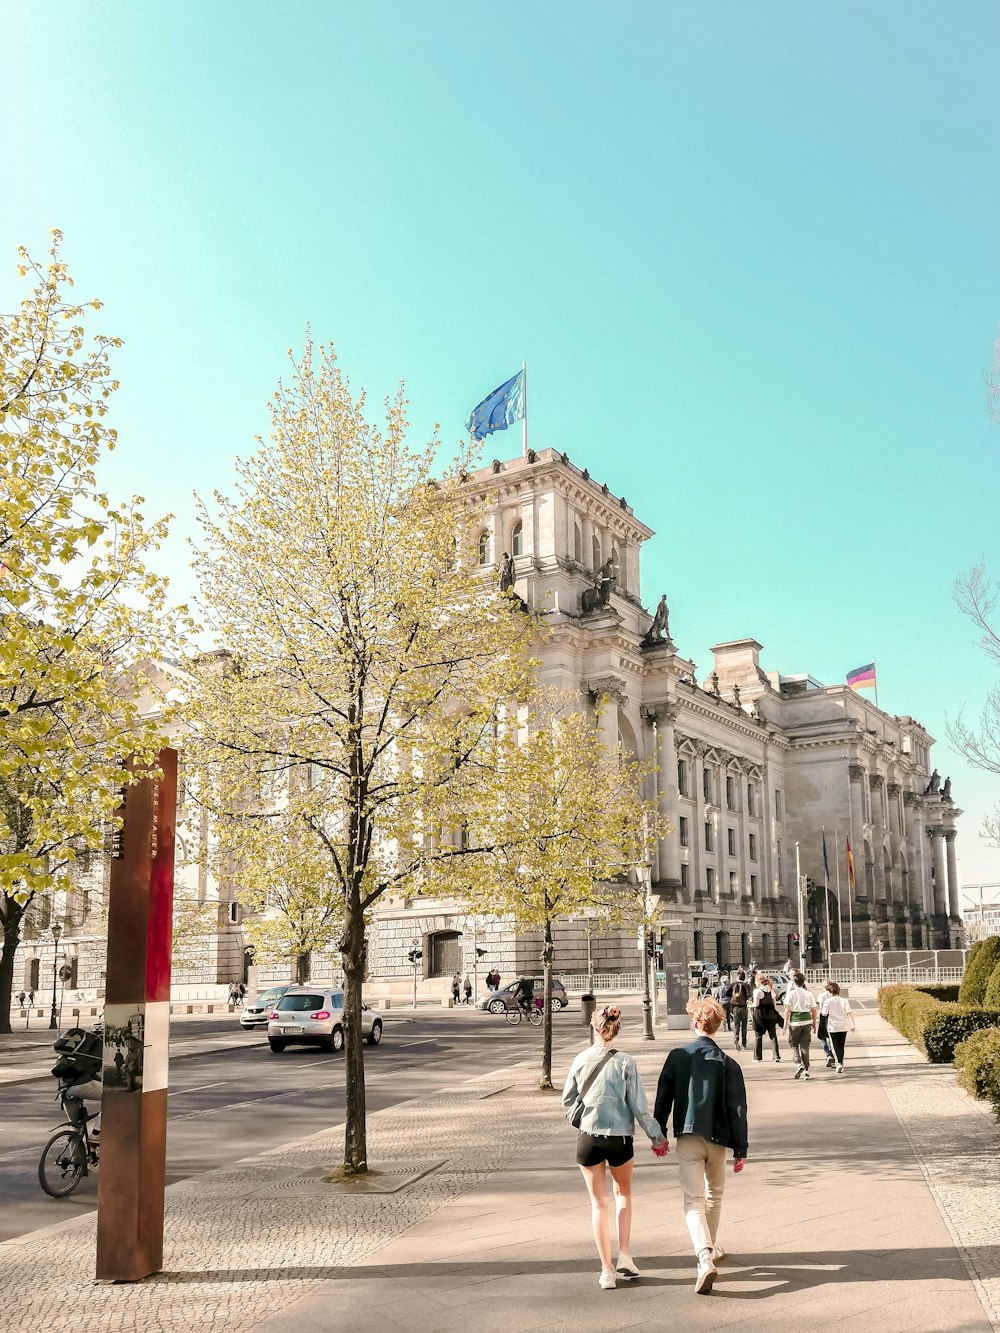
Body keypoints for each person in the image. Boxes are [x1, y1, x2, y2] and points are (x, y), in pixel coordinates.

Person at [562, 1005, 667, 1290]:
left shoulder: (581, 1059)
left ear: (594, 1027)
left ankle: (606, 1271)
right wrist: (657, 1137)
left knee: (598, 1204)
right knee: (623, 1195)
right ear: (615, 1029)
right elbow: (638, 1107)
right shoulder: (626, 1062)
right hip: (620, 1140)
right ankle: (626, 1256)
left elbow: (568, 1100)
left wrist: (585, 1120)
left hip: (589, 1138)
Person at [654, 996, 748, 1296]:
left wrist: (660, 1133)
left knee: (692, 1201)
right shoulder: (729, 1064)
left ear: (695, 1022)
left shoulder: (678, 1056)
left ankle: (704, 1256)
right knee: (714, 1197)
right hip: (718, 1140)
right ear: (718, 1026)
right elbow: (738, 1109)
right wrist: (740, 1148)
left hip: (689, 1137)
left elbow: (663, 1098)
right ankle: (711, 1247)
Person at [783, 970, 818, 1080]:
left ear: (794, 983)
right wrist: (814, 1023)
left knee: (793, 1044)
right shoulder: (809, 994)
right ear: (804, 983)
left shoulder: (791, 994)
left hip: (795, 1022)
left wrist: (785, 1024)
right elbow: (814, 1010)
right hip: (807, 1021)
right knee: (805, 1046)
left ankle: (798, 1064)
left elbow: (787, 1010)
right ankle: (806, 1070)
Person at [820, 979, 856, 1072]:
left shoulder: (828, 1002)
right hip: (843, 1025)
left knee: (834, 1046)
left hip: (833, 1026)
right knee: (841, 1046)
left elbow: (824, 1014)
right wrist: (852, 1024)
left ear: (829, 992)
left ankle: (838, 1063)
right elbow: (849, 1013)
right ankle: (841, 1063)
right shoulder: (844, 1001)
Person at [751, 972, 782, 1062]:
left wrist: (750, 1005)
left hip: (760, 1015)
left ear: (759, 981)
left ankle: (757, 1057)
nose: (755, 982)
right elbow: (774, 1003)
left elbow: (756, 1004)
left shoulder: (757, 991)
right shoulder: (770, 989)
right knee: (773, 1036)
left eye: (756, 981)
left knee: (758, 1036)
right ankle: (776, 1056)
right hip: (771, 1015)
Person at [729, 970, 751, 1051]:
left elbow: (727, 994)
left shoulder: (733, 985)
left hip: (735, 1008)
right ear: (744, 977)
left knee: (736, 1025)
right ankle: (744, 1044)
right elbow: (749, 995)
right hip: (744, 1007)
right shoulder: (746, 985)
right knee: (744, 1026)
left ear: (737, 977)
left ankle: (736, 1038)